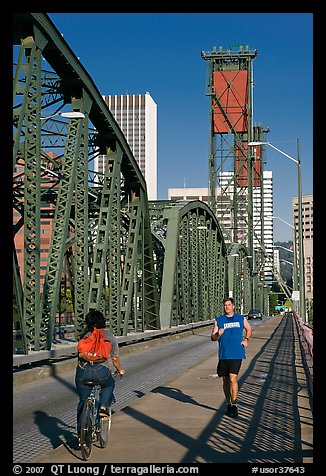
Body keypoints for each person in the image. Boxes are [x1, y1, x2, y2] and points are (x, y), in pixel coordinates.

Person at [75, 310, 125, 436]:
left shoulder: (84, 335)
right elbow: (114, 359)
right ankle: (103, 407)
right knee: (109, 384)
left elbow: (80, 356)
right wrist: (120, 370)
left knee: (83, 401)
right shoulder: (109, 336)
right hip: (101, 371)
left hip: (82, 371)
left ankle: (81, 435)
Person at [211, 297, 252, 418]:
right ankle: (228, 403)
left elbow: (249, 329)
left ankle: (234, 405)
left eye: (229, 305)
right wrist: (218, 334)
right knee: (225, 380)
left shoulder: (240, 318)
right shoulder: (219, 320)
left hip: (237, 353)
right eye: (225, 305)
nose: (227, 307)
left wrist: (246, 339)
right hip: (224, 355)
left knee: (233, 379)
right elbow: (212, 337)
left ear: (233, 306)